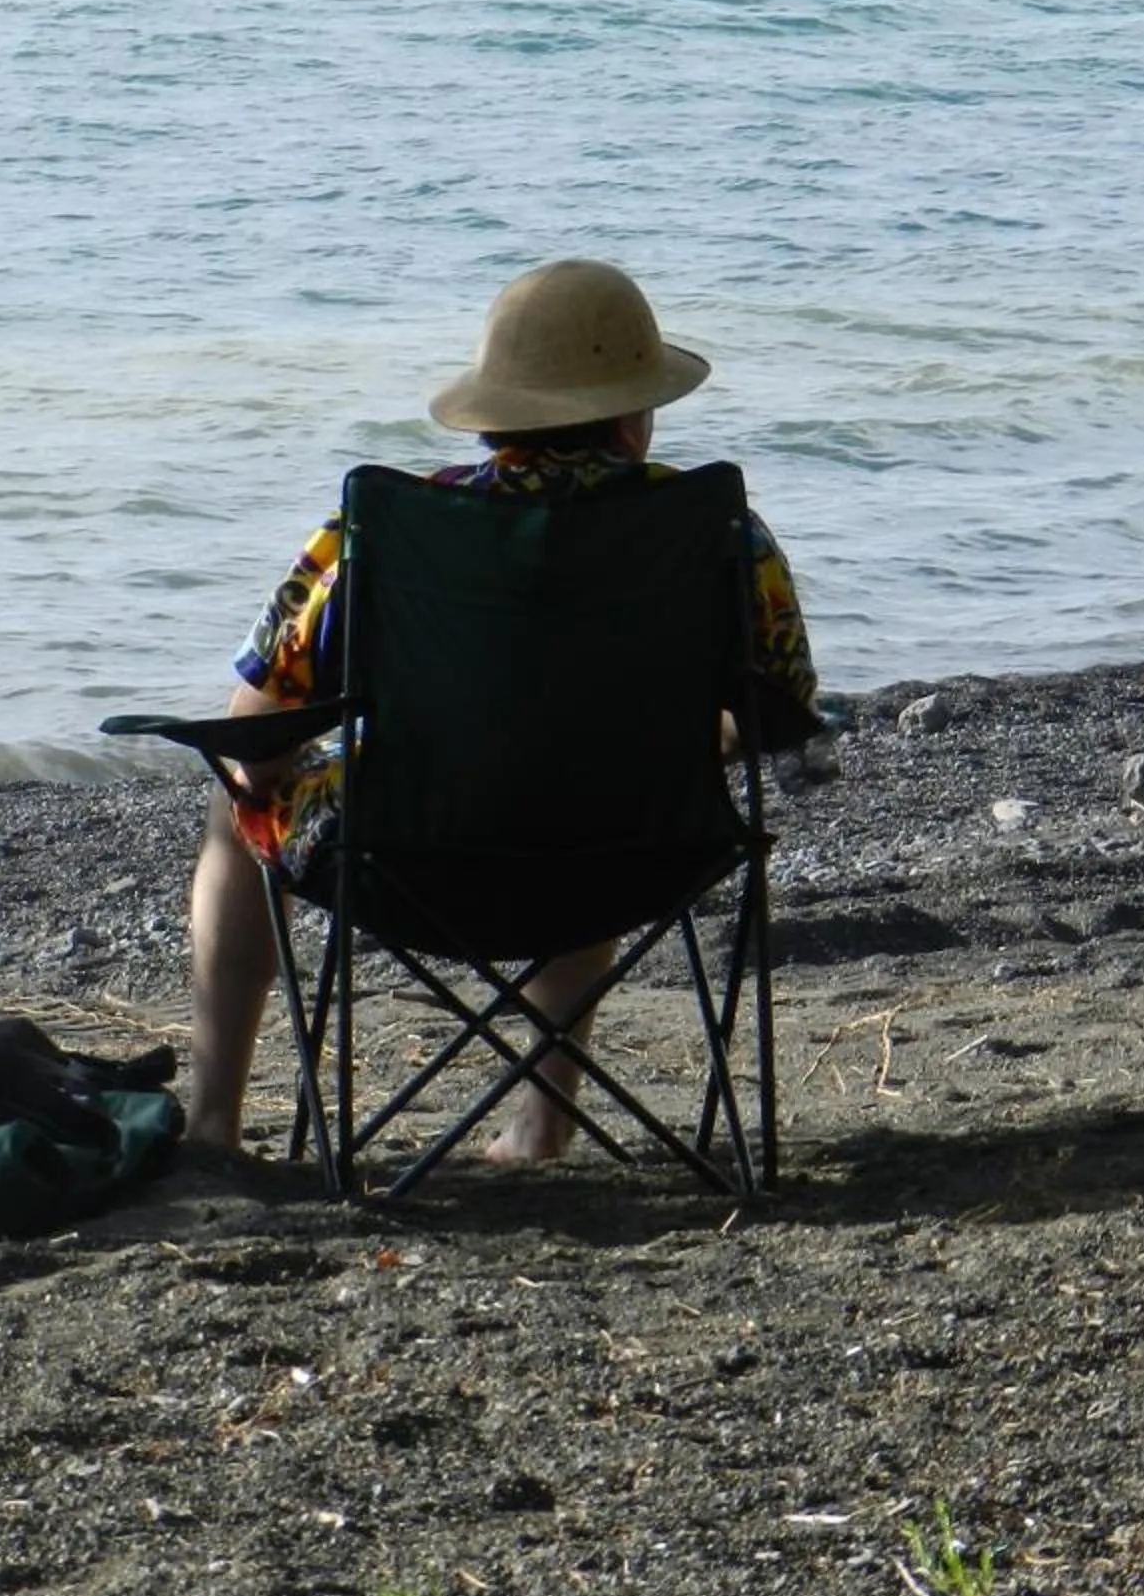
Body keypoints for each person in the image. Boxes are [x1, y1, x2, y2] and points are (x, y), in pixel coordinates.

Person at [180, 258, 820, 1164]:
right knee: (597, 768)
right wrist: (679, 744)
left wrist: (296, 771)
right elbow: (783, 711)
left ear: (497, 413)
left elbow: (256, 735)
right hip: (638, 854)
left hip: (411, 857)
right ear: (636, 415)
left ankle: (212, 1130)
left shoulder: (385, 532)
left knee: (230, 806)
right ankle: (542, 1123)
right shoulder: (720, 533)